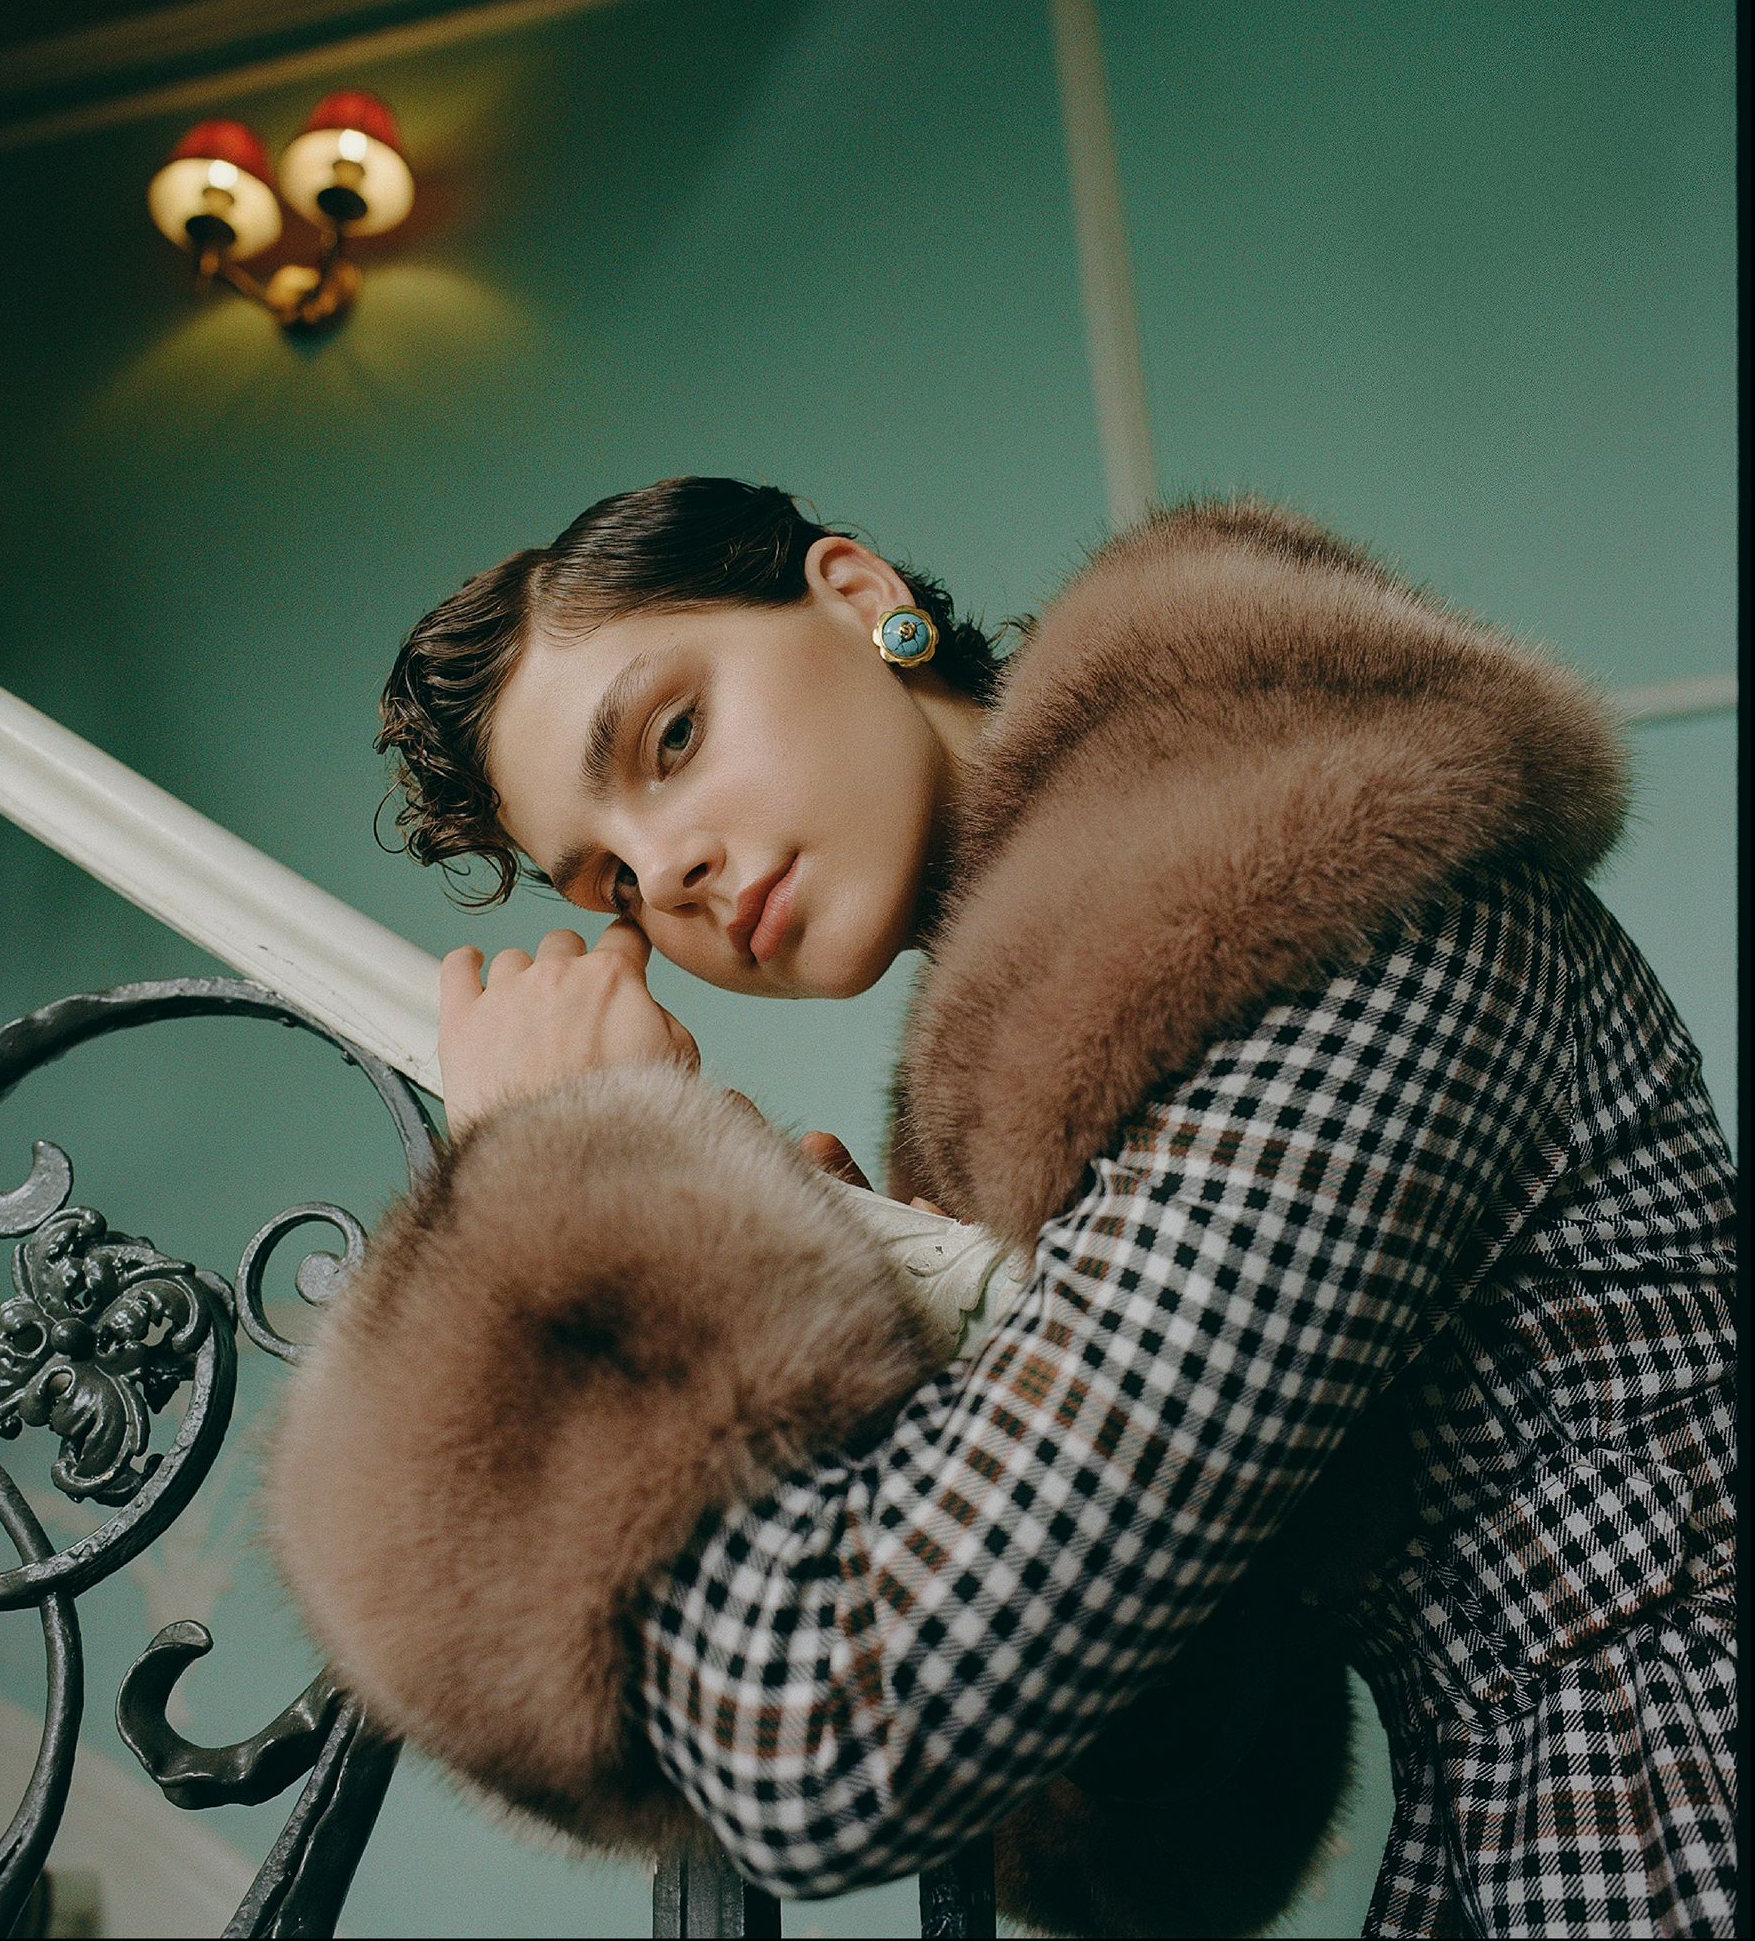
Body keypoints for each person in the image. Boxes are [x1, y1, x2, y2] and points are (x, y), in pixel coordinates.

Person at [265, 477, 1736, 1939]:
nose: (672, 874)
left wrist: (584, 1191)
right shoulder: (1033, 1140)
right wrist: (812, 1309)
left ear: (862, 601)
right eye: (613, 884)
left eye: (674, 735)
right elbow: (1139, 1853)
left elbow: (840, 1736)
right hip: (1509, 1837)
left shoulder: (1329, 883)